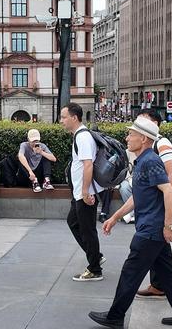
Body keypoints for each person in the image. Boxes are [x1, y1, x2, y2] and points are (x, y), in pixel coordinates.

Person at [89, 116, 172, 329]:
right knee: (169, 274)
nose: (127, 137)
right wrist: (114, 217)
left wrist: (169, 226)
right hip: (152, 229)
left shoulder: (150, 161)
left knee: (130, 273)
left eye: (131, 134)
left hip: (151, 230)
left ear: (145, 139)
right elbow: (137, 196)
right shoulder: (142, 161)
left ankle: (115, 316)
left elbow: (168, 192)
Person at [132, 110, 172, 299]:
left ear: (154, 124)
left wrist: (171, 204)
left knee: (153, 246)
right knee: (159, 249)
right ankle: (161, 284)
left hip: (159, 206)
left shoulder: (162, 142)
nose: (139, 122)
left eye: (144, 119)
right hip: (155, 205)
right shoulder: (149, 148)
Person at [60, 102, 105, 282]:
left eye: (64, 117)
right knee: (73, 222)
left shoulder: (83, 137)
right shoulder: (79, 135)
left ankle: (94, 269)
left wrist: (86, 192)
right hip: (79, 192)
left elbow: (88, 165)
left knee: (87, 231)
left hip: (84, 193)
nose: (61, 121)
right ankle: (96, 255)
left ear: (74, 117)